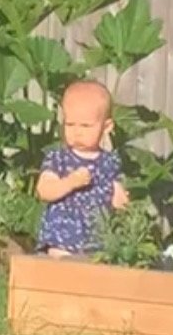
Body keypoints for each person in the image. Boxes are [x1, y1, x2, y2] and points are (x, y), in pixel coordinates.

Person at [34, 79, 130, 258]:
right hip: (61, 241)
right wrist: (70, 182)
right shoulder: (59, 159)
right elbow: (44, 190)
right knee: (61, 275)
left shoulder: (109, 163)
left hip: (97, 244)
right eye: (70, 124)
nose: (77, 131)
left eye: (86, 126)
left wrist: (120, 199)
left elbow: (119, 197)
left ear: (107, 127)